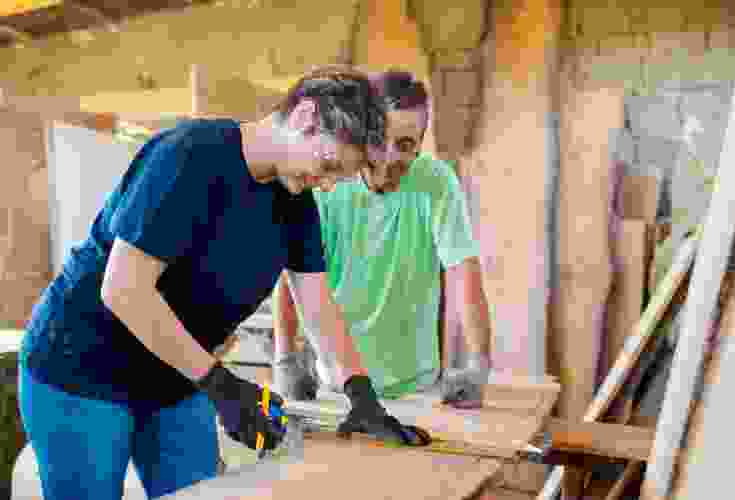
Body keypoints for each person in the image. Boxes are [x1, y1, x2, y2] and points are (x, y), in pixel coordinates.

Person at [18, 66, 428, 500]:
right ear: (306, 117)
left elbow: (318, 304)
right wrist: (221, 384)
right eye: (327, 166)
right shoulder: (189, 156)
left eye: (336, 177)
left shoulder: (296, 201)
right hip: (81, 369)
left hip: (176, 376)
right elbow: (123, 289)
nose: (325, 185)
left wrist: (360, 394)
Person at [273, 69, 493, 408]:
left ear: (421, 143)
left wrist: (478, 364)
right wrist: (285, 358)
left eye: (406, 146)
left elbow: (463, 271)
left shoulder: (437, 182)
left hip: (417, 387)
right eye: (379, 141)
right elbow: (291, 273)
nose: (390, 158)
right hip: (337, 385)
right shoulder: (328, 181)